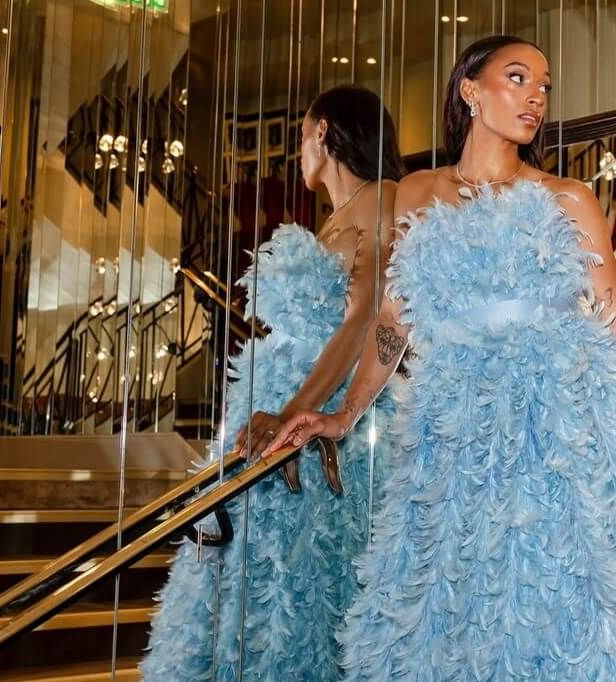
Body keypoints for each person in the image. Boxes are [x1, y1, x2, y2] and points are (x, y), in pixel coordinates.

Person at [264, 35, 616, 680]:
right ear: (470, 90)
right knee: (454, 603)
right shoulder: (415, 193)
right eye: (519, 78)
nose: (536, 97)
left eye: (544, 85)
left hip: (561, 426)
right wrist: (344, 415)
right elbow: (394, 320)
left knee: (573, 596)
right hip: (456, 430)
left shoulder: (567, 196)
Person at [142, 85, 405, 680]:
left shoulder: (381, 200)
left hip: (323, 408)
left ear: (324, 133)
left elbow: (364, 321)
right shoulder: (337, 215)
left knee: (307, 572)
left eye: (300, 134)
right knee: (261, 566)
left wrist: (294, 411)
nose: (297, 151)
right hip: (280, 400)